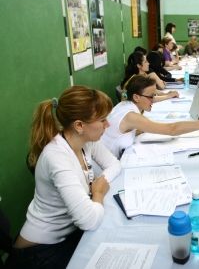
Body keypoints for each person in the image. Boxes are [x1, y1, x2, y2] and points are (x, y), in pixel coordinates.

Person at [8, 86, 120, 268]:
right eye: (102, 120)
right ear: (79, 125)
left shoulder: (86, 141)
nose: (108, 125)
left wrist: (100, 182)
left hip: (67, 236)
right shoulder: (56, 156)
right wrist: (98, 193)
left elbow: (115, 164)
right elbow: (88, 220)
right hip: (38, 252)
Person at [101, 75, 199, 158]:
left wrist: (167, 96)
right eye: (151, 96)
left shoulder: (125, 104)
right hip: (108, 166)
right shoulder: (131, 116)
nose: (153, 99)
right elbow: (172, 129)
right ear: (136, 97)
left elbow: (151, 100)